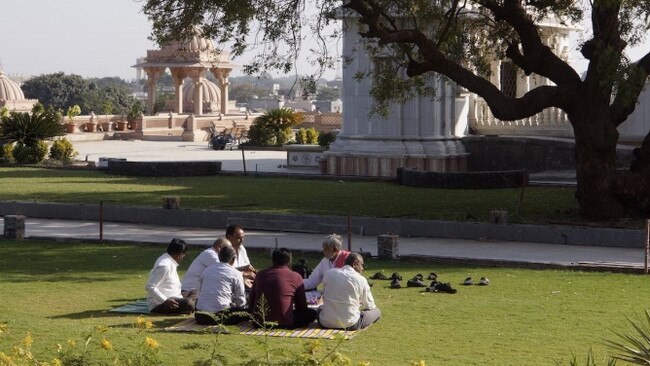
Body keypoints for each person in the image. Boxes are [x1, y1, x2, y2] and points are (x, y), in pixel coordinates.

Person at [249, 247, 317, 329]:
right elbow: (302, 306)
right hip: (284, 322)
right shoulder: (296, 276)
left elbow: (252, 299)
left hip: (259, 322)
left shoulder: (260, 274)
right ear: (289, 262)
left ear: (273, 260)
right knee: (312, 313)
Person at [318, 252, 381, 330]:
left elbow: (326, 293)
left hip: (325, 322)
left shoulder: (329, 273)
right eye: (361, 265)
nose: (362, 268)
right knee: (377, 311)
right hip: (350, 324)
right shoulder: (361, 279)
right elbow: (370, 305)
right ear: (354, 264)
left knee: (321, 308)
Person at [194, 245, 249, 325]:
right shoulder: (236, 273)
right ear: (233, 259)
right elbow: (240, 300)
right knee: (247, 310)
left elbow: (202, 291)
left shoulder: (207, 270)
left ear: (219, 257)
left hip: (200, 316)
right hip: (221, 316)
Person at [145, 238, 196, 314]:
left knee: (196, 292)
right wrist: (165, 300)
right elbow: (150, 287)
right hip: (162, 304)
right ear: (180, 255)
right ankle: (192, 306)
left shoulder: (169, 260)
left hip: (176, 297)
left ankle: (192, 305)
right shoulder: (164, 266)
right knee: (188, 303)